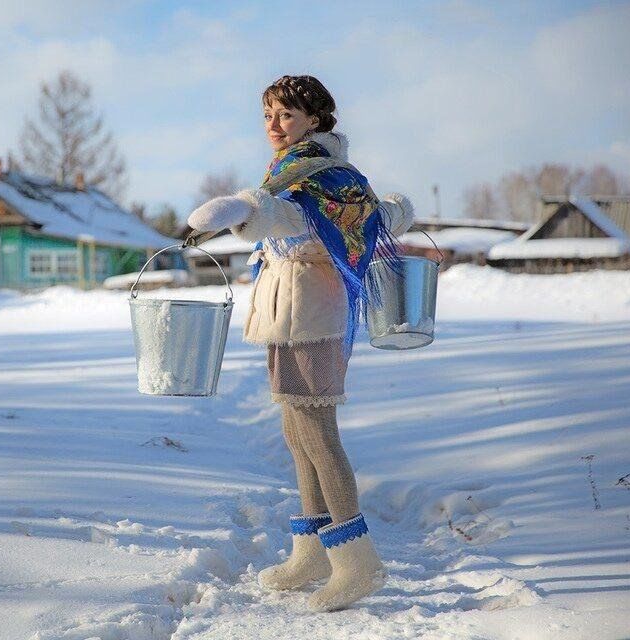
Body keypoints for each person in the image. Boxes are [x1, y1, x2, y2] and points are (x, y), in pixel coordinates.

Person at [186, 74, 414, 612]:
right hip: (288, 316)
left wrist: (238, 210)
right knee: (295, 430)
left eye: (286, 115)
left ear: (314, 119)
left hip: (313, 317)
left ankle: (357, 562)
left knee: (317, 432)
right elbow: (380, 213)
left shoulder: (324, 179)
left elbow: (288, 218)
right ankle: (312, 549)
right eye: (268, 115)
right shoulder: (295, 173)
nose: (274, 126)